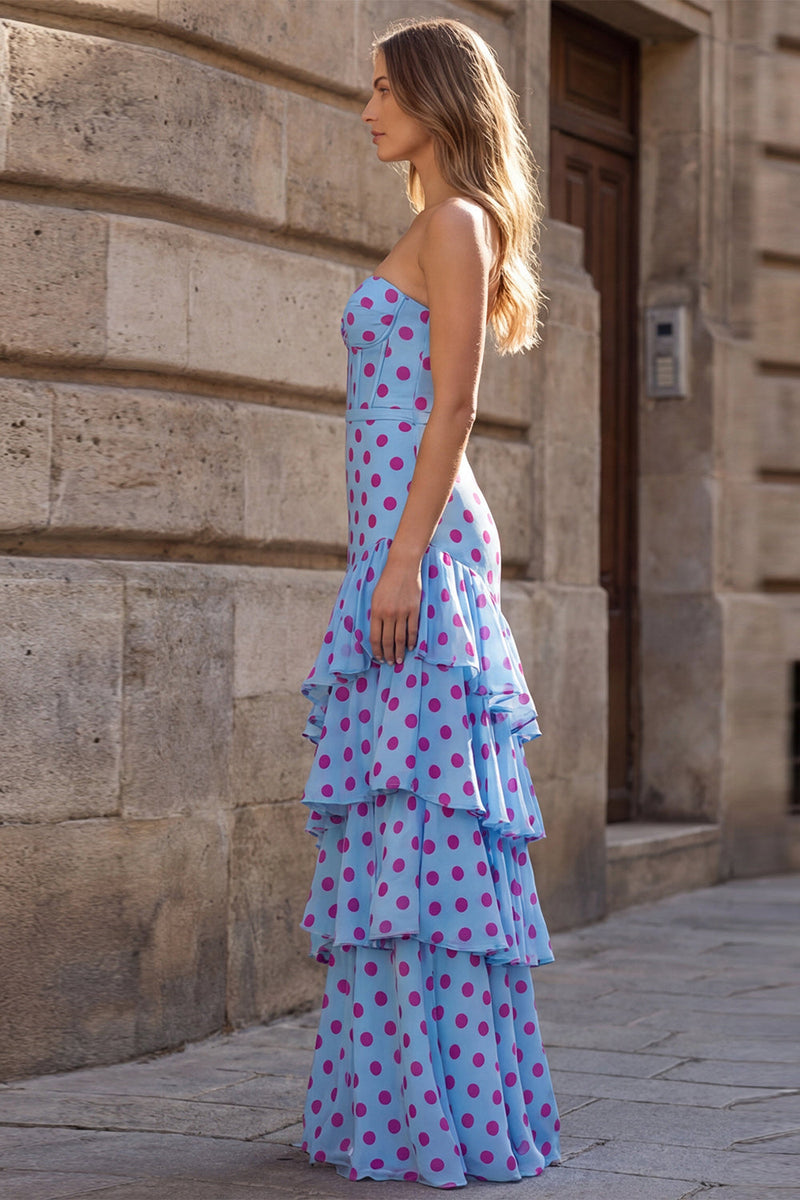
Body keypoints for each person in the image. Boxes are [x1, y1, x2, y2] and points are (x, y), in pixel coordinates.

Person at [298, 16, 561, 1188]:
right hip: (400, 548)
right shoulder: (430, 223)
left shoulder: (452, 224)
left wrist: (400, 561)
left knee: (424, 841)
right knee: (401, 840)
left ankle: (433, 1114)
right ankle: (406, 1107)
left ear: (437, 100)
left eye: (381, 90)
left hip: (420, 555)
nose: (366, 109)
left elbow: (450, 406)